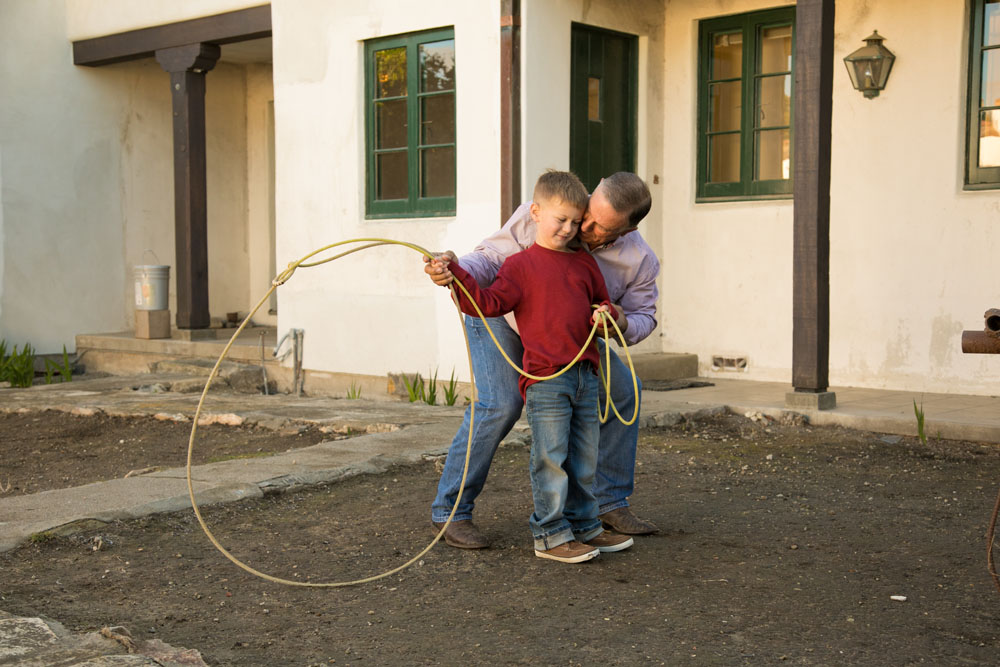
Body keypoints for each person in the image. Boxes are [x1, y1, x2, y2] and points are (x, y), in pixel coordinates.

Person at [427, 171, 660, 550]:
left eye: (598, 226)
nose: (581, 226)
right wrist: (453, 270)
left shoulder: (640, 260)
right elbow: (488, 260)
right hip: (502, 316)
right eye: (587, 211)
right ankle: (451, 510)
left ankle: (607, 502)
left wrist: (618, 320)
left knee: (622, 390)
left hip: (569, 335)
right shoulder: (547, 212)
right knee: (500, 404)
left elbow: (644, 317)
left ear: (626, 230)